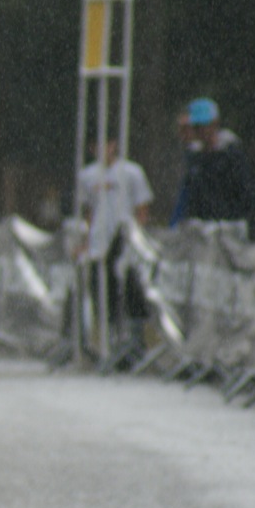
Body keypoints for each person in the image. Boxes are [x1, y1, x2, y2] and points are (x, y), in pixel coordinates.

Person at [74, 138, 154, 351]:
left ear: (114, 145)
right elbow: (89, 212)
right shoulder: (88, 176)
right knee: (102, 291)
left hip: (124, 241)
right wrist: (85, 242)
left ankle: (136, 342)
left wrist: (138, 237)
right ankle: (107, 341)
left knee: (130, 291)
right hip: (99, 244)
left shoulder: (131, 172)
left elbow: (142, 207)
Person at [169, 97, 255, 239]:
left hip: (232, 232)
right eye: (196, 127)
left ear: (215, 124)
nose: (200, 131)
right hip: (204, 235)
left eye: (203, 126)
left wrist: (250, 226)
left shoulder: (233, 155)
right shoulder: (195, 159)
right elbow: (188, 199)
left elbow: (249, 195)